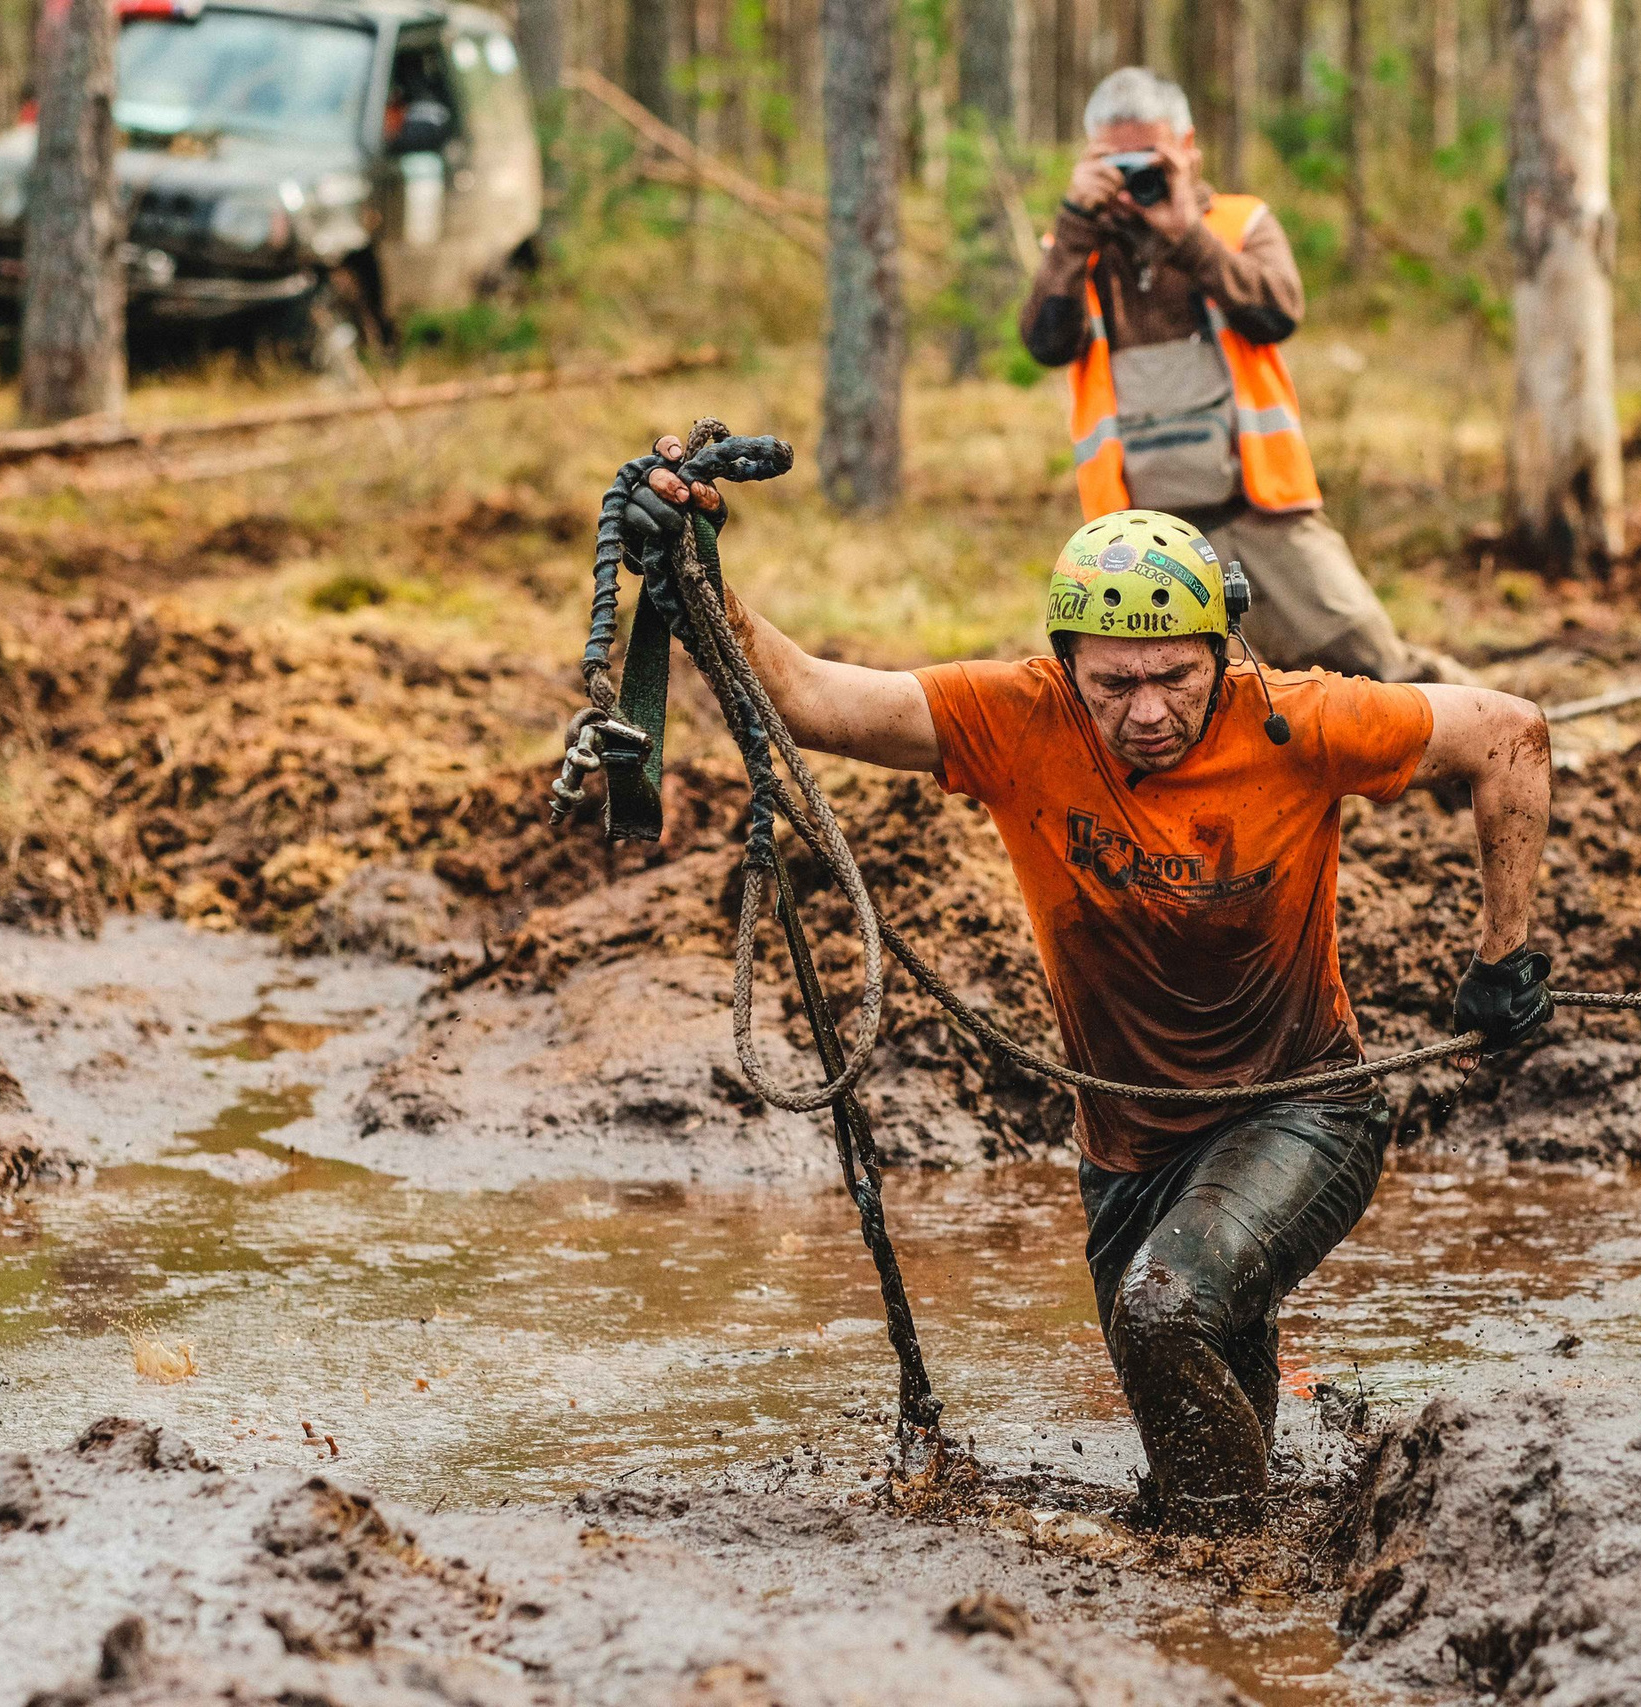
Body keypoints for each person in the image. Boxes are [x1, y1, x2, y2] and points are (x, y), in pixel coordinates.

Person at [622, 452, 1553, 1531]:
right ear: (1066, 666)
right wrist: (696, 575)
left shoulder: (1298, 720)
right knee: (1200, 1381)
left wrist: (1502, 957)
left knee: (1163, 1313)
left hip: (1303, 1109)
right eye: (1113, 684)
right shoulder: (1018, 720)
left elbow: (1509, 732)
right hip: (1125, 1152)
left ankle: (1218, 1581)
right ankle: (1239, 1593)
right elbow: (812, 700)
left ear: (1222, 650)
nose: (1147, 710)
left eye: (1175, 677)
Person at [1019, 68, 1465, 687]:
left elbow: (1277, 314)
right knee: (1177, 697)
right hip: (1144, 538)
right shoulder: (1076, 246)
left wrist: (1187, 238)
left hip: (1263, 514)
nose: (1132, 180)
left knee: (1378, 669)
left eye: (1149, 161)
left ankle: (1484, 735)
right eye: (1114, 165)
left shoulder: (1239, 223)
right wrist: (1074, 225)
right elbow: (1045, 342)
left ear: (1188, 147)